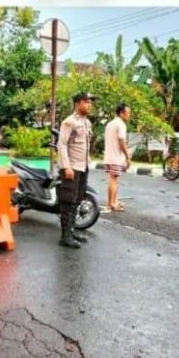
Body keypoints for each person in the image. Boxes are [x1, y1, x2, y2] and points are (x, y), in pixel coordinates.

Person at [57, 92, 96, 249]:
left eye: (90, 102)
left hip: (82, 167)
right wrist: (66, 166)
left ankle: (71, 231)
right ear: (78, 103)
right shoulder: (69, 122)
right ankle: (65, 236)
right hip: (72, 168)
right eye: (86, 102)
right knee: (68, 202)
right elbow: (62, 144)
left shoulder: (87, 123)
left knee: (77, 201)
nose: (89, 105)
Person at [103, 103, 132, 211]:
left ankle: (112, 201)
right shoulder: (121, 125)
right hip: (116, 156)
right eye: (128, 112)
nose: (129, 115)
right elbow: (121, 140)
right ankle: (112, 203)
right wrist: (127, 156)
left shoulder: (110, 124)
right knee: (114, 179)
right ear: (121, 113)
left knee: (113, 178)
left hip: (109, 155)